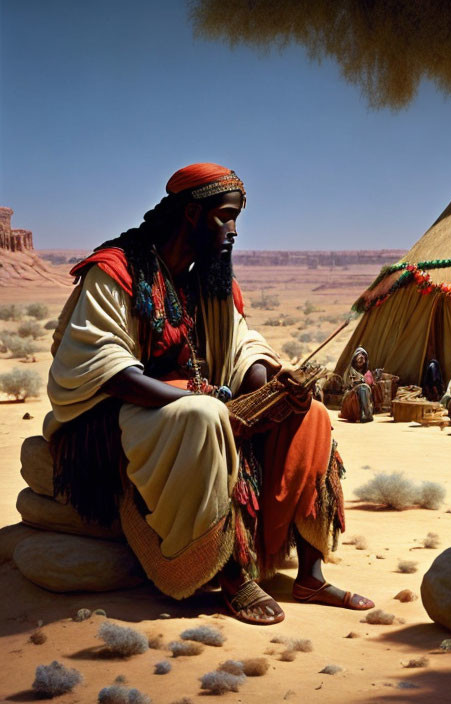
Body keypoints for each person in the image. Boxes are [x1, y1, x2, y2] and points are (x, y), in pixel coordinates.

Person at [46, 163, 373, 625]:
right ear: (193, 216)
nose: (235, 231)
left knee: (312, 416)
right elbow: (104, 367)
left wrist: (275, 388)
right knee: (205, 417)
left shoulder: (213, 283)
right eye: (226, 217)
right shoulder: (119, 269)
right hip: (131, 410)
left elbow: (243, 349)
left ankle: (310, 574)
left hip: (205, 400)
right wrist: (198, 402)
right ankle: (232, 573)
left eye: (237, 218)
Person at [339, 346, 381, 422]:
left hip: (366, 396)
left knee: (364, 388)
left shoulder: (367, 373)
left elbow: (371, 385)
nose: (361, 361)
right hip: (351, 398)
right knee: (363, 388)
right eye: (359, 359)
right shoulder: (349, 372)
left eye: (363, 359)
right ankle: (365, 414)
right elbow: (347, 384)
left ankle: (366, 413)